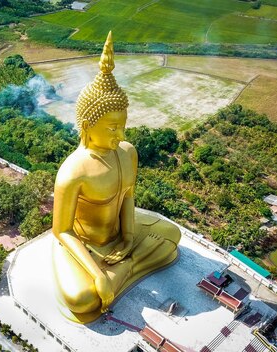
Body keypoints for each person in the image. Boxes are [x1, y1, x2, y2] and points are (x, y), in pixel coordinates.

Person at [52, 31, 181, 323]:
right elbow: (61, 231)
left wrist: (128, 238)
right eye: (112, 128)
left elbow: (127, 196)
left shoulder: (127, 151)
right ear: (87, 124)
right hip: (85, 247)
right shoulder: (73, 170)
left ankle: (124, 267)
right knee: (82, 299)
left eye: (122, 126)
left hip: (121, 240)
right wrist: (98, 275)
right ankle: (121, 271)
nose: (120, 135)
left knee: (173, 235)